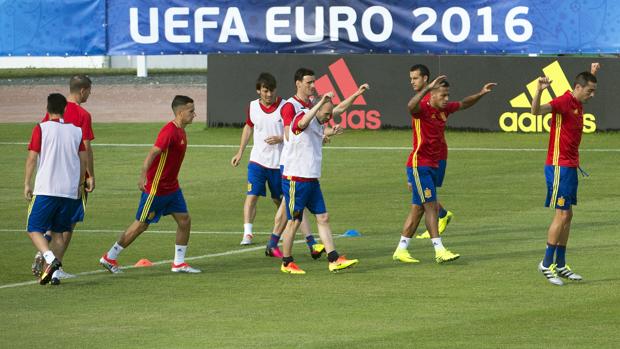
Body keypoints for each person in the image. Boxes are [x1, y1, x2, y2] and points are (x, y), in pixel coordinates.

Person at [393, 75, 496, 264]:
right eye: (443, 95)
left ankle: (401, 249)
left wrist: (481, 93)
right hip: (419, 165)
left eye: (448, 95)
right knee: (431, 205)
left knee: (418, 209)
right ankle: (439, 250)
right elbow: (410, 107)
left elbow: (464, 103)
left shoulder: (445, 109)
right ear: (432, 95)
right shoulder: (422, 109)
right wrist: (426, 89)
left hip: (433, 164)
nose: (447, 99)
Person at [99, 95, 200, 274]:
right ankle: (110, 257)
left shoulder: (181, 131)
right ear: (180, 112)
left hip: (172, 188)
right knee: (141, 224)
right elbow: (153, 153)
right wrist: (143, 176)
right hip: (157, 189)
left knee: (185, 220)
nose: (194, 114)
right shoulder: (169, 131)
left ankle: (178, 263)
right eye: (191, 111)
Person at [280, 85, 368, 274]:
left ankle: (333, 258)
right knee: (294, 222)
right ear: (317, 108)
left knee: (323, 217)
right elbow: (301, 125)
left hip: (311, 179)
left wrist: (356, 94)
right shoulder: (302, 116)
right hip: (296, 178)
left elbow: (339, 109)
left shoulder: (319, 121)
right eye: (327, 114)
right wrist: (320, 102)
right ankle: (287, 262)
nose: (329, 118)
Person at [532, 63, 600, 286]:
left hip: (570, 166)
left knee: (568, 215)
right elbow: (535, 112)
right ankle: (546, 263)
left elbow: (584, 83)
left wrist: (592, 72)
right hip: (558, 166)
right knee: (561, 214)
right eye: (590, 91)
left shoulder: (578, 102)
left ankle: (560, 264)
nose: (592, 95)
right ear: (578, 88)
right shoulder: (563, 102)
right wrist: (540, 90)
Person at [32, 74, 95, 280]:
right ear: (83, 90)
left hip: (50, 178)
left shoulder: (51, 114)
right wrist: (89, 175)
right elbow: (85, 147)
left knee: (51, 219)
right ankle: (55, 267)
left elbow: (43, 139)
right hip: (72, 177)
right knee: (68, 224)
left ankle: (43, 251)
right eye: (89, 91)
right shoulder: (83, 115)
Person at [231, 73, 287, 255]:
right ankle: (247, 233)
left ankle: (283, 229)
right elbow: (249, 126)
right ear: (258, 91)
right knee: (252, 195)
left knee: (279, 200)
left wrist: (280, 138)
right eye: (265, 91)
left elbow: (293, 130)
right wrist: (240, 151)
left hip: (279, 163)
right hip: (257, 161)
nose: (269, 94)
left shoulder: (285, 106)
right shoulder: (253, 107)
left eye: (272, 91)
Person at [407, 65, 454, 240]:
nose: (412, 81)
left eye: (415, 78)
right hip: (429, 155)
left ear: (426, 79)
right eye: (411, 78)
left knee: (424, 196)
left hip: (433, 156)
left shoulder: (432, 98)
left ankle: (436, 225)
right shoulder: (424, 97)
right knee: (422, 192)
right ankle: (441, 215)